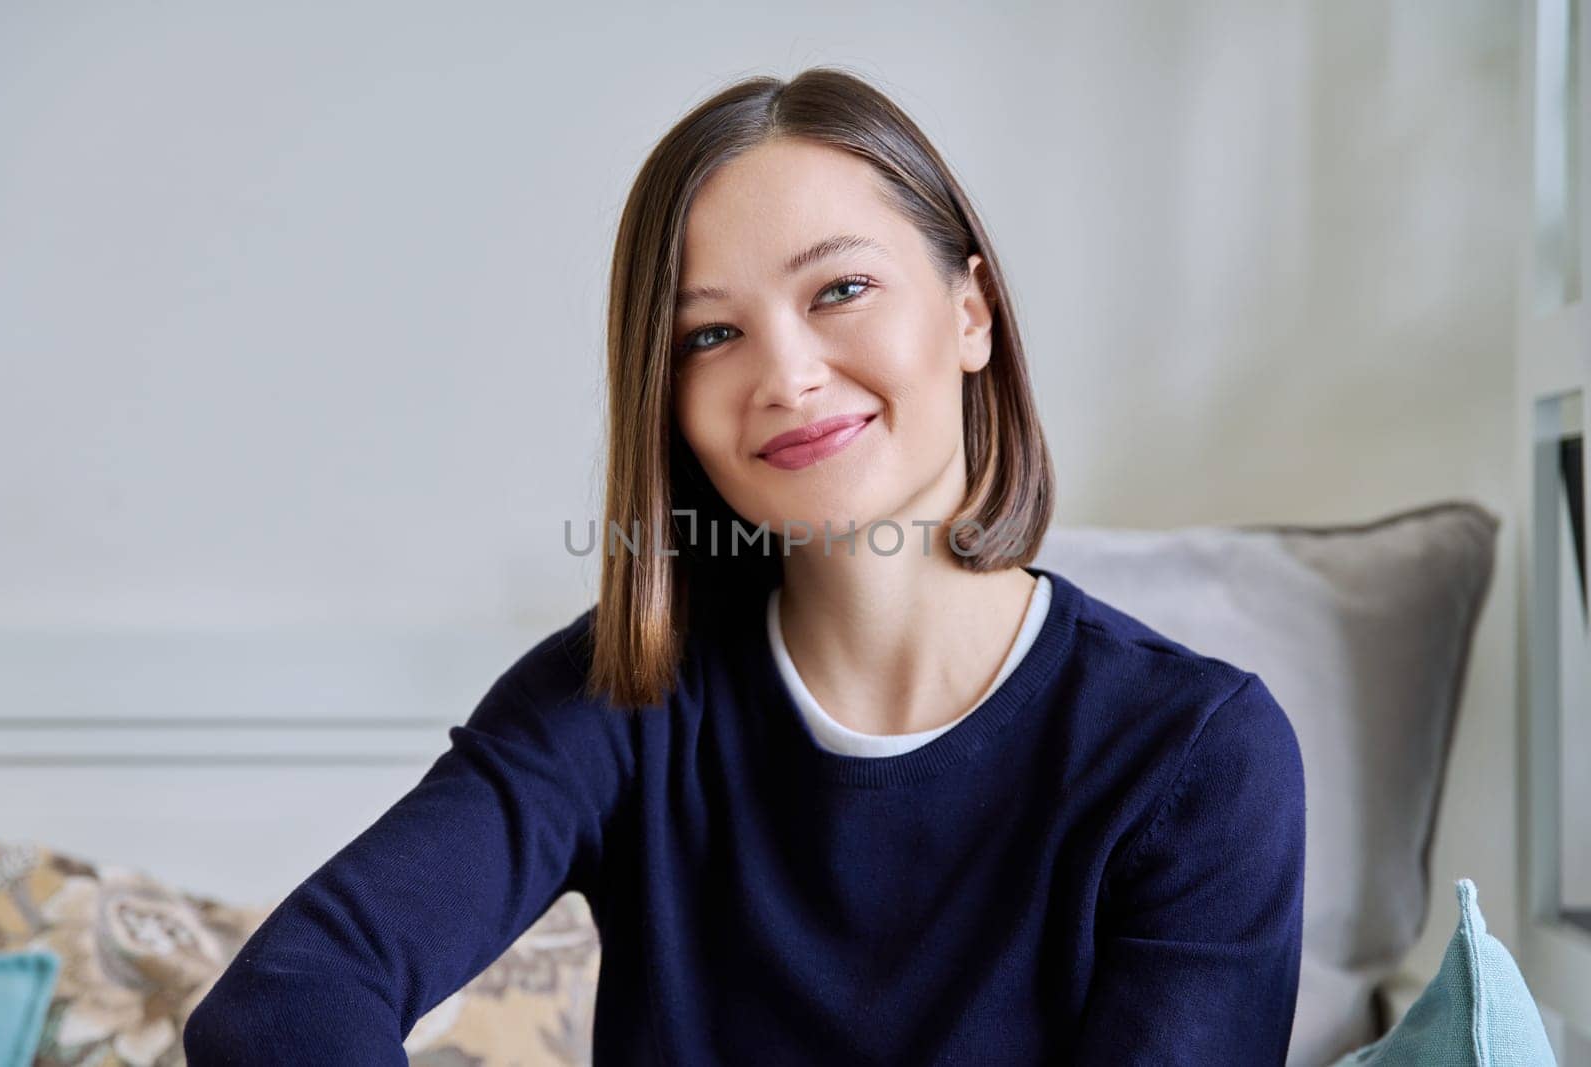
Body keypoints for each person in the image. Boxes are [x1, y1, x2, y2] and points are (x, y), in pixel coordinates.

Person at [183, 66, 1307, 1065]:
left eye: (839, 290)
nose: (788, 375)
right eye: (709, 335)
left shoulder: (1197, 756)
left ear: (971, 311)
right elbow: (284, 1005)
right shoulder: (619, 694)